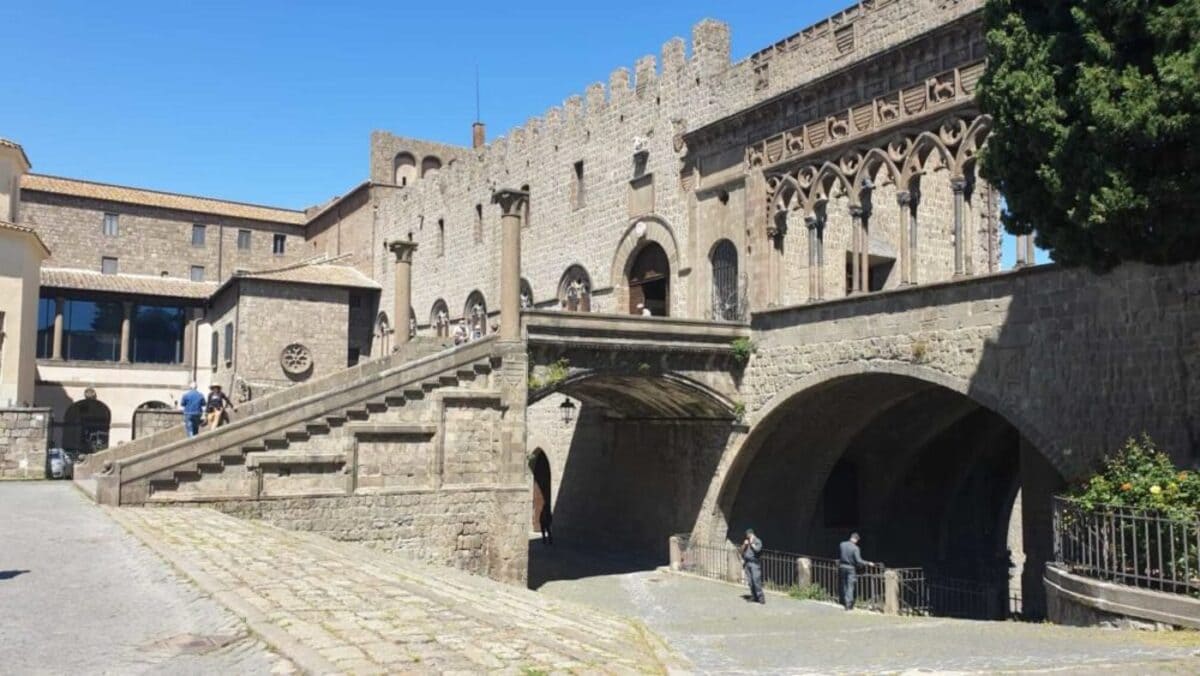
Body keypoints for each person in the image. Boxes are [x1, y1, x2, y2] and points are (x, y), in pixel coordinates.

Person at [838, 532, 879, 610]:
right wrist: (868, 563)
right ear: (856, 539)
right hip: (851, 568)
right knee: (850, 586)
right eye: (857, 540)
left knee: (844, 584)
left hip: (842, 566)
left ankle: (843, 600)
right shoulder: (855, 548)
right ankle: (848, 604)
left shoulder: (842, 544)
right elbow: (858, 560)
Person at [740, 528, 765, 604]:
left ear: (751, 534)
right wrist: (744, 544)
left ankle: (761, 598)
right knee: (750, 582)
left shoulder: (758, 541)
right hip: (747, 563)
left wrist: (752, 544)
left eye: (748, 535)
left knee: (756, 580)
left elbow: (758, 550)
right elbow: (741, 551)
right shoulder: (746, 541)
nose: (747, 536)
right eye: (747, 535)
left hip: (754, 564)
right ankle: (754, 596)